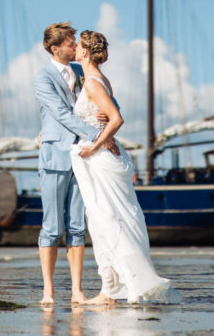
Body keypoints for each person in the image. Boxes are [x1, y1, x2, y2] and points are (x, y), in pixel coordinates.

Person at [69, 30, 181, 305]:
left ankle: (117, 287)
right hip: (97, 157)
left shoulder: (94, 83)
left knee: (108, 219)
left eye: (77, 45)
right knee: (103, 219)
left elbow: (116, 119)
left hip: (99, 158)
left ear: (84, 51)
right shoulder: (98, 80)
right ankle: (111, 287)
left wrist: (96, 144)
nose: (73, 47)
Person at [34, 21, 115, 305]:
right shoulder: (42, 78)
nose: (75, 46)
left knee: (78, 226)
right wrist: (99, 134)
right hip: (56, 156)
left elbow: (106, 99)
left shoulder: (84, 71)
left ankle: (77, 290)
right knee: (52, 228)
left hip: (84, 156)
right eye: (70, 43)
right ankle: (48, 290)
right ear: (56, 48)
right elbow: (60, 113)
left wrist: (107, 118)